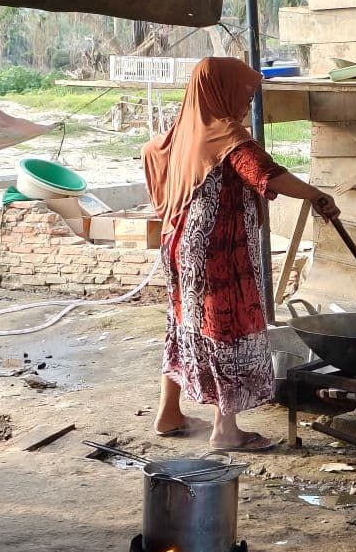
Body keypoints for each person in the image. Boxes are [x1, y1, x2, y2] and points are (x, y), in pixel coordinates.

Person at [143, 57, 340, 451]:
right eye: (245, 94)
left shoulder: (181, 132)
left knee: (184, 324)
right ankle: (225, 431)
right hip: (217, 251)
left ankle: (169, 414)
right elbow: (266, 174)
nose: (248, 103)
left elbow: (151, 154)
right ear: (222, 90)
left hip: (179, 245)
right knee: (225, 329)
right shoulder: (225, 134)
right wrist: (315, 194)